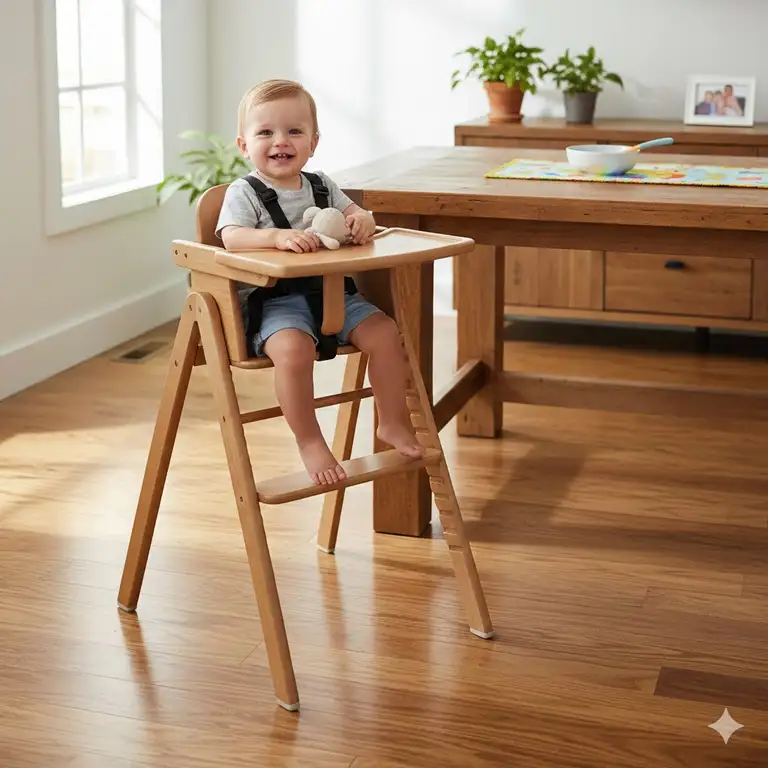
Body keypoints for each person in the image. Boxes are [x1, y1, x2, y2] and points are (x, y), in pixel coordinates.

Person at [215, 79, 424, 486]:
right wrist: (275, 237)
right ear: (244, 145)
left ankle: (392, 421)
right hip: (276, 303)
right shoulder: (246, 192)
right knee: (294, 353)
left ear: (313, 141)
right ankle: (309, 439)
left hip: (335, 296)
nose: (281, 141)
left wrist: (362, 221)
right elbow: (231, 236)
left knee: (385, 334)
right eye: (266, 133)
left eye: (294, 131)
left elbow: (357, 214)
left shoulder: (322, 185)